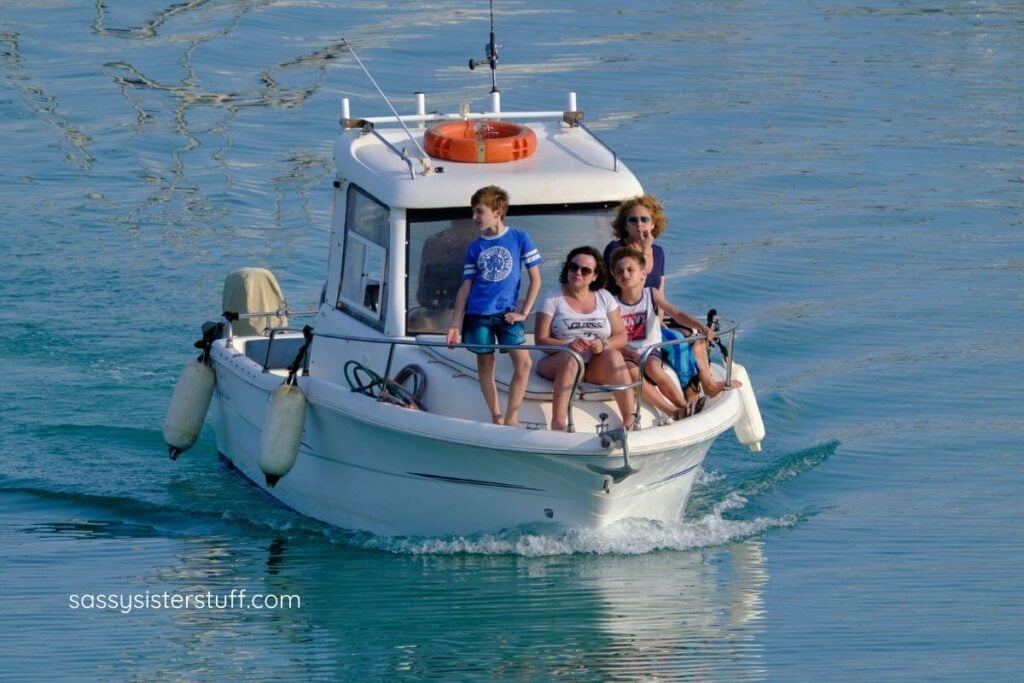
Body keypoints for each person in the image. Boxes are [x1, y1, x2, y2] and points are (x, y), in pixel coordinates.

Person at [446, 186, 542, 428]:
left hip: (507, 314)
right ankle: (496, 415)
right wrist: (455, 324)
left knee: (524, 363)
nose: (474, 217)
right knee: (486, 365)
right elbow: (465, 288)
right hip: (478, 314)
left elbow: (536, 279)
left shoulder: (519, 238)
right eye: (473, 212)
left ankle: (512, 417)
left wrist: (524, 312)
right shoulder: (474, 247)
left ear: (498, 212)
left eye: (479, 211)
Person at [610, 246, 736, 419]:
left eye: (630, 270)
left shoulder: (650, 295)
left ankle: (684, 406)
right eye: (620, 271)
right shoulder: (612, 303)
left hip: (649, 349)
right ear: (614, 277)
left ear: (643, 274)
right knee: (632, 372)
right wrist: (629, 353)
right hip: (627, 352)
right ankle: (673, 411)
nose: (625, 274)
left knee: (654, 368)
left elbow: (677, 314)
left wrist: (702, 327)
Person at [534, 246, 635, 432]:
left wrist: (604, 344)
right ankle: (558, 424)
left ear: (595, 276)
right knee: (572, 357)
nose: (578, 273)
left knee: (614, 356)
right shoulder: (552, 297)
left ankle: (630, 422)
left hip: (595, 364)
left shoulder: (604, 297)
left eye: (585, 270)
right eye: (574, 267)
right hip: (560, 360)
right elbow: (540, 340)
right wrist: (566, 345)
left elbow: (621, 335)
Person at [603, 194, 667, 296]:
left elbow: (660, 293)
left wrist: (660, 312)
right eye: (633, 220)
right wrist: (645, 250)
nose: (639, 224)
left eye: (644, 219)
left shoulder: (658, 252)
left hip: (651, 310)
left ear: (653, 224)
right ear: (625, 226)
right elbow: (634, 287)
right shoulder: (616, 248)